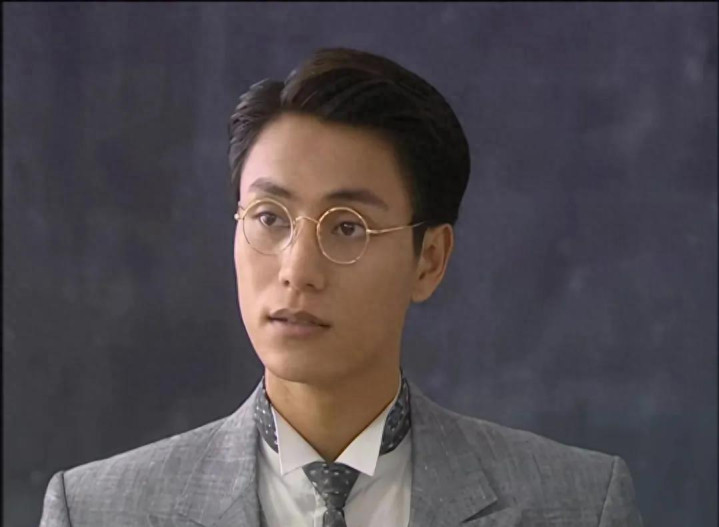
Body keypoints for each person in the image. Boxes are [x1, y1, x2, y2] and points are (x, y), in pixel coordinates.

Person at [40, 47, 643, 527]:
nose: (298, 269)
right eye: (270, 217)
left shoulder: (576, 505)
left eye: (348, 227)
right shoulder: (95, 511)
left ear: (429, 260)